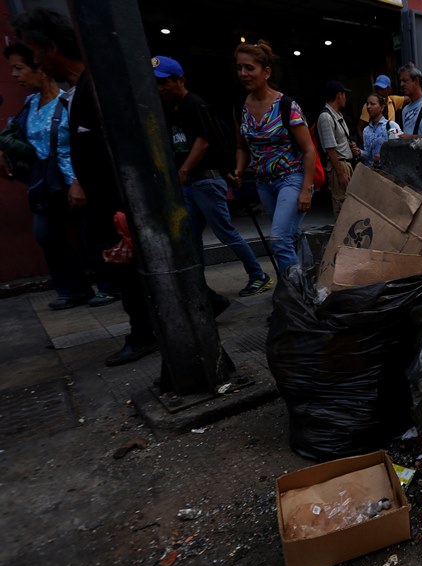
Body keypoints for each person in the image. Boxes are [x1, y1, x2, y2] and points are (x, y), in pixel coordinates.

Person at [14, 7, 157, 366]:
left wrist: (89, 186)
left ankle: (144, 333)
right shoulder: (77, 92)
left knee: (128, 272)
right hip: (107, 205)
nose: (35, 63)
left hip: (121, 205)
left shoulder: (98, 87)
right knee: (127, 271)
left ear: (51, 48)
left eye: (34, 52)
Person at [152, 55, 272, 297]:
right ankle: (196, 283)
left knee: (225, 231)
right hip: (189, 184)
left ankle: (258, 275)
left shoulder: (194, 104)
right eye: (157, 83)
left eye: (165, 82)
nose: (160, 88)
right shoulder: (170, 109)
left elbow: (204, 141)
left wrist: (184, 170)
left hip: (204, 181)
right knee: (192, 236)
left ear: (180, 80)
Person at [2, 43, 106, 310]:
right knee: (46, 233)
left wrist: (76, 181)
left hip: (72, 177)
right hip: (43, 181)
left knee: (90, 234)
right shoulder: (29, 104)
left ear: (42, 69)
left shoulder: (67, 101)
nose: (14, 75)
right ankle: (73, 289)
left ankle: (109, 286)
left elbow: (72, 147)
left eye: (19, 68)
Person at [231, 41, 318, 272]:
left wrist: (306, 189)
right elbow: (242, 146)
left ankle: (294, 296)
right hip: (263, 184)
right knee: (291, 234)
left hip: (291, 178)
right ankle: (311, 277)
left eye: (249, 68)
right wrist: (239, 169)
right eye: (239, 68)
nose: (243, 73)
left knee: (279, 240)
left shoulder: (287, 105)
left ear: (266, 72)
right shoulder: (240, 106)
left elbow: (309, 150)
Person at [317, 80, 359, 218]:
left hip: (346, 163)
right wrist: (340, 173)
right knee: (341, 204)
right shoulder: (326, 117)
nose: (345, 98)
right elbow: (330, 149)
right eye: (344, 94)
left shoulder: (338, 115)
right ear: (339, 95)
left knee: (350, 204)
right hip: (338, 165)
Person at [356, 74, 408, 144]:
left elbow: (410, 98)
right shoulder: (368, 106)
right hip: (376, 140)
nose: (379, 91)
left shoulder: (393, 100)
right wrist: (366, 145)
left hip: (391, 135)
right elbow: (359, 128)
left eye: (382, 89)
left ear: (389, 89)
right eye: (377, 88)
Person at [361, 93, 401, 169]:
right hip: (371, 174)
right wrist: (359, 152)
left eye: (372, 104)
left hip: (388, 173)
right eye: (367, 104)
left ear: (382, 107)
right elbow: (368, 155)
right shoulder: (366, 130)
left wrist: (382, 157)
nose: (368, 107)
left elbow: (397, 151)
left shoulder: (391, 126)